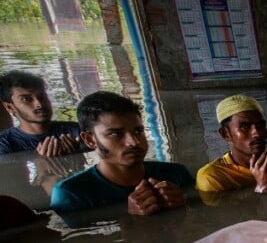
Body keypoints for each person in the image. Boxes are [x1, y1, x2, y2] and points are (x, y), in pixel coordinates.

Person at [50, 91, 191, 213]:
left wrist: (186, 205)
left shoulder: (176, 174)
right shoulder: (71, 194)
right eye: (115, 134)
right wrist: (131, 220)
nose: (134, 142)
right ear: (90, 140)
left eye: (138, 131)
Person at [196, 95, 267, 194]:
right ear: (226, 134)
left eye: (261, 125)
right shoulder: (212, 177)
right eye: (245, 126)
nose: (258, 133)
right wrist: (262, 187)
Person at [0, 70, 82, 156]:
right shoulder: (4, 144)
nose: (39, 104)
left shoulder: (77, 131)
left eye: (42, 96)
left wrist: (77, 155)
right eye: (26, 99)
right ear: (10, 107)